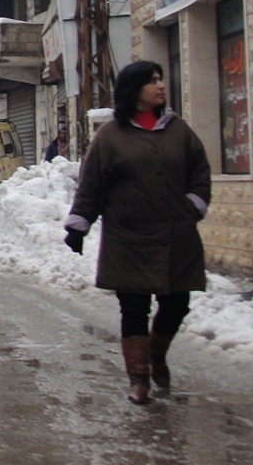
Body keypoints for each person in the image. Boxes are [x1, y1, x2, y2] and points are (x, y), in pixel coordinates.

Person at [64, 61, 211, 405]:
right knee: (134, 308)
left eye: (160, 79)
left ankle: (156, 353)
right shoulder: (110, 136)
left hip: (176, 237)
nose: (160, 86)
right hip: (128, 239)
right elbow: (92, 186)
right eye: (152, 81)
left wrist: (193, 206)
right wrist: (79, 224)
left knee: (177, 304)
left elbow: (200, 174)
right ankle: (139, 377)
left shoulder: (179, 130)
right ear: (134, 90)